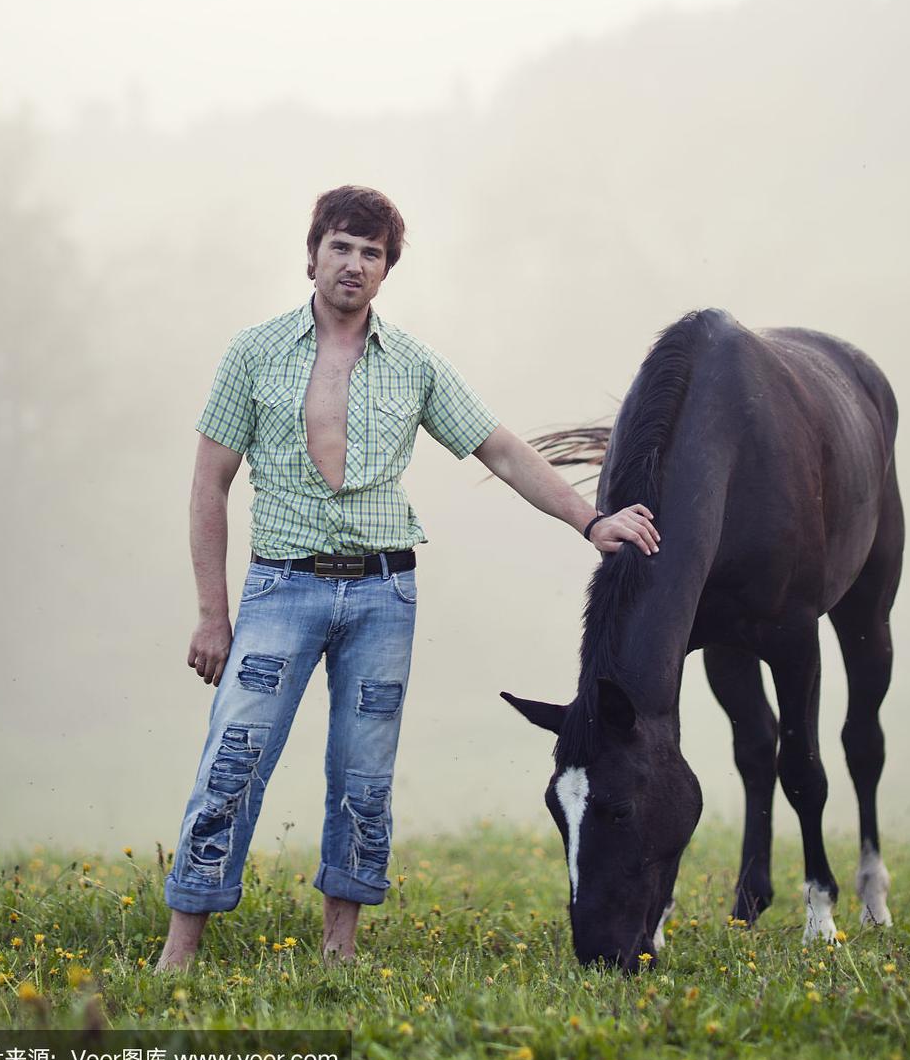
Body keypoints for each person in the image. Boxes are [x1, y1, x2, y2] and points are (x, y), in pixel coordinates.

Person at [154, 185, 659, 972]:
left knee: (363, 773)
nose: (354, 264)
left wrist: (590, 520)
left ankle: (339, 950)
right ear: (312, 252)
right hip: (280, 590)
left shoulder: (415, 365)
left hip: (384, 595)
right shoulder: (253, 353)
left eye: (372, 253)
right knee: (234, 757)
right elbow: (207, 484)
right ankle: (180, 948)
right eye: (342, 247)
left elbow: (501, 450)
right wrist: (212, 614)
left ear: (387, 270)